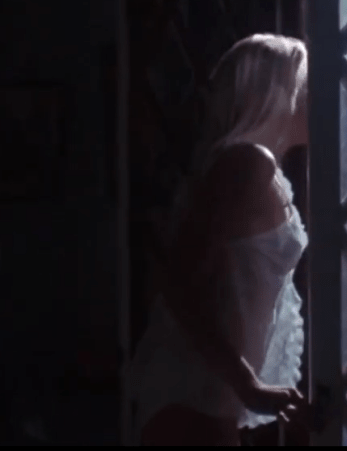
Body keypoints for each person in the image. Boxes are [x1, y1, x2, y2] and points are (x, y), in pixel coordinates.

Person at [126, 34, 311, 446]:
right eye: (305, 85)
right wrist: (248, 385)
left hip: (207, 400)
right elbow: (179, 284)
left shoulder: (260, 168)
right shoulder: (247, 163)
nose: (317, 99)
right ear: (277, 95)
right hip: (194, 398)